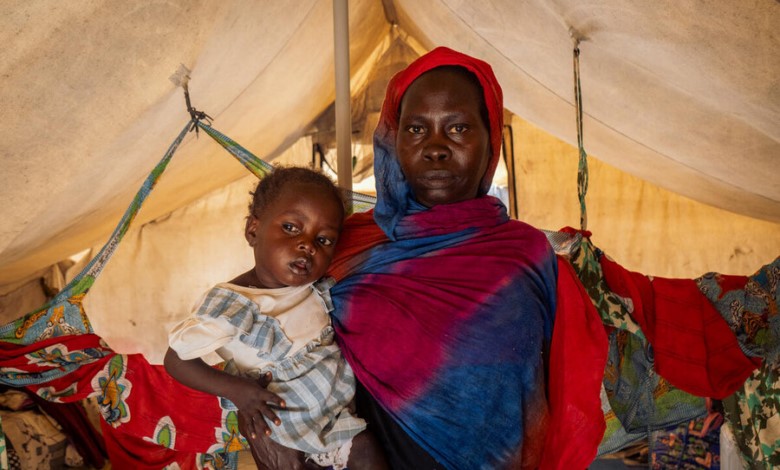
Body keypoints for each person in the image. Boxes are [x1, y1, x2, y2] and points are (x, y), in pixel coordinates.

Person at [239, 47, 611, 469]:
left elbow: (559, 381)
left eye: (458, 128)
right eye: (416, 129)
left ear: (490, 140)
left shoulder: (523, 255)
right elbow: (257, 332)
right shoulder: (347, 246)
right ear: (393, 140)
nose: (435, 147)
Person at [164, 166, 387, 470]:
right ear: (253, 230)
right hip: (284, 427)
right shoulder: (235, 304)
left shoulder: (313, 289)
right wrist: (237, 391)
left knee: (368, 453)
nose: (307, 244)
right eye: (291, 228)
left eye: (324, 240)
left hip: (337, 419)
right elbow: (177, 360)